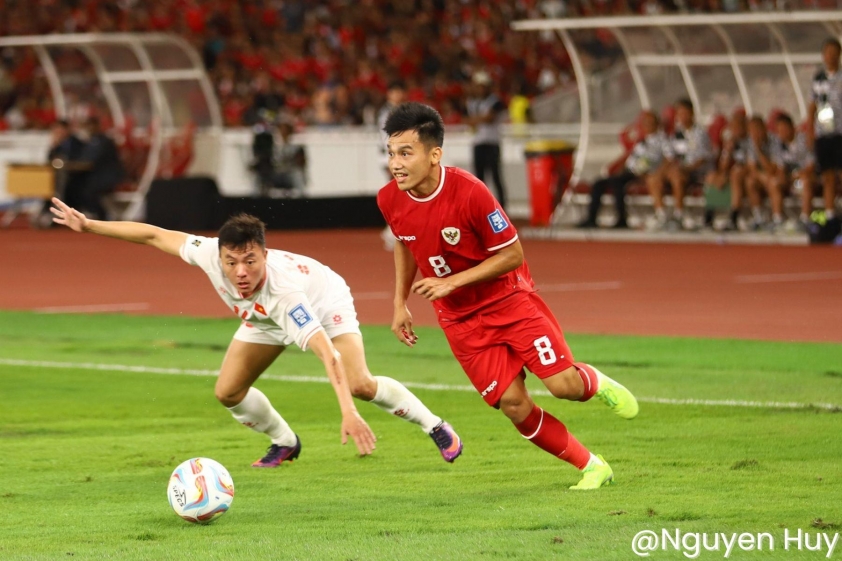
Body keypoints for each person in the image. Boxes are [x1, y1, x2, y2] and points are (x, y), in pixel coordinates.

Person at [49, 197, 463, 467]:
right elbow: (154, 234)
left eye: (250, 260)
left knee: (359, 384)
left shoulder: (286, 292)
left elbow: (327, 355)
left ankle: (435, 425)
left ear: (265, 253)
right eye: (232, 262)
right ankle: (286, 442)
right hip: (263, 318)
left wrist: (348, 413)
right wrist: (90, 226)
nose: (240, 272)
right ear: (221, 255)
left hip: (323, 301)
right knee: (227, 392)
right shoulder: (209, 253)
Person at [377, 102, 638, 491]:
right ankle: (592, 467)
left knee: (563, 387)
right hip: (461, 321)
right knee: (514, 405)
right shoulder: (389, 198)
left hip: (508, 300)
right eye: (391, 153)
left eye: (405, 153)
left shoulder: (471, 193)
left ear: (435, 155)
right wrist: (400, 303)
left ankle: (594, 382)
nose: (395, 163)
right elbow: (404, 242)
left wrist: (453, 282)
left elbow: (513, 254)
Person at [577, 110, 670, 229]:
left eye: (650, 123)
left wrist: (654, 172)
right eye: (645, 123)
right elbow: (631, 156)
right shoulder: (641, 141)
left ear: (657, 125)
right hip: (629, 171)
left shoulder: (663, 141)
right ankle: (591, 218)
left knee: (617, 183)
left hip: (644, 174)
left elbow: (668, 159)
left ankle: (621, 219)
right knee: (598, 183)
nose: (647, 126)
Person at [648, 99, 714, 230]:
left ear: (692, 114)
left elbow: (703, 158)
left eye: (685, 113)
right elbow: (671, 156)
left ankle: (678, 215)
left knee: (677, 176)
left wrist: (685, 169)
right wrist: (661, 171)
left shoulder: (700, 134)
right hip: (678, 170)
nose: (682, 117)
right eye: (679, 113)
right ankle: (662, 215)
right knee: (654, 178)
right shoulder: (676, 134)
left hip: (696, 172)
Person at [807, 37, 842, 225]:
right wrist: (810, 131)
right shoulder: (817, 78)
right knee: (828, 175)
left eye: (834, 53)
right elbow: (812, 105)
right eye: (827, 53)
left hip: (840, 132)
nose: (830, 56)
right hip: (823, 133)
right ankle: (829, 216)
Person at [764, 112, 816, 232]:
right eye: (778, 130)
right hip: (791, 180)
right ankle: (777, 219)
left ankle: (805, 219)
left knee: (805, 182)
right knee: (774, 182)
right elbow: (780, 168)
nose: (781, 133)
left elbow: (810, 167)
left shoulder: (804, 140)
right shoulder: (779, 145)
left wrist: (794, 176)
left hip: (805, 179)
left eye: (783, 129)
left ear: (792, 127)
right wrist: (783, 177)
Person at [466, 71, 508, 209]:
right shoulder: (472, 102)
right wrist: (480, 119)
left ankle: (502, 206)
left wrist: (476, 120)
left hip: (492, 142)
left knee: (496, 176)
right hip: (478, 142)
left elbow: (490, 118)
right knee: (479, 178)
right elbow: (467, 120)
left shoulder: (495, 101)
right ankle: (481, 207)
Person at [701, 110, 749, 231]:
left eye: (737, 126)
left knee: (735, 175)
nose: (734, 130)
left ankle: (734, 217)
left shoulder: (748, 142)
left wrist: (727, 173)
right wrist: (728, 150)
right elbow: (723, 166)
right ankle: (708, 217)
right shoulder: (728, 143)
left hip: (744, 174)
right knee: (712, 177)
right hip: (730, 172)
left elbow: (747, 163)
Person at [70, 116, 125, 220]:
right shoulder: (91, 141)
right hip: (97, 176)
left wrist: (75, 164)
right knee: (77, 187)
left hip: (107, 177)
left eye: (90, 126)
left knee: (86, 190)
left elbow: (89, 161)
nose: (88, 129)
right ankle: (95, 213)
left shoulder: (102, 141)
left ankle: (102, 216)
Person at [377, 81, 407, 251]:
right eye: (394, 92)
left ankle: (392, 230)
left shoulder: (399, 110)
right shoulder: (387, 112)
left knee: (399, 191)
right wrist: (393, 157)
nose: (397, 95)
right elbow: (385, 137)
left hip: (394, 155)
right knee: (396, 192)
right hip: (390, 155)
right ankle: (392, 231)